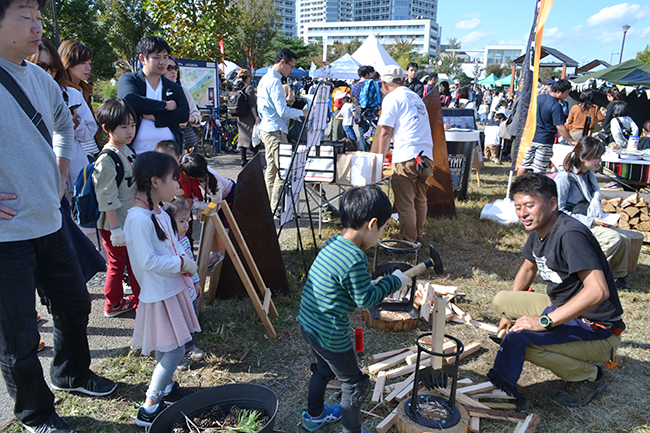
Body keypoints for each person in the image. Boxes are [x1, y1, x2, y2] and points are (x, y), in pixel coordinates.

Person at [0, 1, 116, 431]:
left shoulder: (40, 80)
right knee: (18, 339)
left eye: (36, 15)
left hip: (50, 220)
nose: (35, 26)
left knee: (74, 305)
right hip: (6, 235)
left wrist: (62, 168)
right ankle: (34, 413)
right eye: (24, 15)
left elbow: (63, 127)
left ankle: (71, 374)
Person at [489, 173, 624, 407]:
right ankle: (550, 330)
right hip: (563, 309)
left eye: (529, 205)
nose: (522, 213)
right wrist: (507, 315)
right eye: (518, 206)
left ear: (552, 204)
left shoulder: (570, 234)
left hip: (597, 327)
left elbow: (598, 291)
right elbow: (528, 271)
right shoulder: (539, 230)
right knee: (503, 300)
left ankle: (590, 376)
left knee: (525, 340)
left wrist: (543, 322)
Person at [298, 186, 410, 433]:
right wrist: (394, 282)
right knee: (354, 383)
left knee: (323, 369)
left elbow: (340, 283)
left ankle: (314, 416)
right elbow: (365, 299)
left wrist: (368, 283)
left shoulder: (334, 243)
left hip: (308, 323)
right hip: (329, 332)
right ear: (371, 224)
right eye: (382, 229)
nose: (380, 235)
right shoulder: (356, 257)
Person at [124, 151, 200, 427]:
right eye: (174, 179)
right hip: (160, 293)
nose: (178, 185)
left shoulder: (159, 212)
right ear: (155, 182)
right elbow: (147, 260)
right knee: (176, 350)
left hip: (171, 288)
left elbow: (168, 246)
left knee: (169, 344)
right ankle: (149, 406)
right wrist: (183, 263)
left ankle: (166, 388)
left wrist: (185, 270)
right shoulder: (139, 218)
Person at [554, 136, 632, 291]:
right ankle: (587, 273)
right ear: (583, 158)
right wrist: (591, 221)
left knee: (625, 239)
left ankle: (617, 276)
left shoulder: (588, 176)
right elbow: (559, 211)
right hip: (573, 224)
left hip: (590, 219)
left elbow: (591, 202)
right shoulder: (565, 178)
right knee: (613, 239)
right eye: (597, 157)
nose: (600, 161)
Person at [372, 65, 434, 243]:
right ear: (404, 80)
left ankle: (408, 241)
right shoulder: (416, 97)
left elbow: (385, 133)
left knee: (405, 202)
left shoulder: (392, 98)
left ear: (384, 83)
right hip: (426, 156)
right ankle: (418, 235)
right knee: (420, 199)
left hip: (406, 155)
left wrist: (379, 160)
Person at [93, 98, 141, 317]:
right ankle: (113, 303)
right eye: (124, 127)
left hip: (128, 220)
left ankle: (138, 299)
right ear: (107, 129)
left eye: (132, 125)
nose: (130, 131)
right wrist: (115, 230)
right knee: (117, 264)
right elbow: (107, 197)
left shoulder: (126, 149)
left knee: (133, 262)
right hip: (116, 224)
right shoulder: (107, 158)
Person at [26, 39, 92, 189]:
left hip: (74, 175)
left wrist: (73, 123)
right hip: (34, 181)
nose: (48, 73)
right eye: (42, 66)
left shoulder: (72, 94)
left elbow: (89, 134)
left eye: (53, 68)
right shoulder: (13, 97)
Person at [117, 35, 189, 155]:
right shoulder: (130, 79)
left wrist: (156, 118)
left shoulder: (173, 87)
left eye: (165, 57)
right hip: (136, 155)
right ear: (142, 59)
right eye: (156, 57)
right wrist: (165, 106)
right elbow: (130, 100)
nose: (162, 62)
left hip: (169, 157)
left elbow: (183, 114)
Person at [256, 48, 307, 212]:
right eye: (291, 66)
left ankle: (268, 208)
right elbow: (282, 111)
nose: (291, 71)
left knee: (272, 171)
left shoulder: (265, 78)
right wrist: (302, 112)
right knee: (282, 171)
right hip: (275, 130)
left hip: (268, 128)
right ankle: (274, 208)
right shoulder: (274, 81)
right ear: (282, 62)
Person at [162, 198, 205, 371]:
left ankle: (190, 348)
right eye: (181, 221)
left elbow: (191, 265)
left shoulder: (185, 241)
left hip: (190, 293)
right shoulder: (164, 246)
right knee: (176, 325)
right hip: (175, 294)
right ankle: (178, 357)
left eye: (187, 220)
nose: (186, 225)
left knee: (190, 320)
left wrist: (197, 282)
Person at [179, 152, 236, 265]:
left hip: (229, 198)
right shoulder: (201, 173)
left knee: (219, 230)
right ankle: (215, 253)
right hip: (216, 199)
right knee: (209, 229)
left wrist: (196, 204)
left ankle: (224, 257)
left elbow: (216, 205)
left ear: (192, 175)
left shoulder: (214, 183)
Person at [517, 80, 577, 176]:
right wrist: (571, 140)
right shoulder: (556, 106)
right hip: (545, 140)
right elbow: (560, 126)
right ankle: (535, 189)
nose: (567, 96)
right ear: (558, 92)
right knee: (539, 169)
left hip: (531, 137)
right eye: (566, 93)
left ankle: (518, 184)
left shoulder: (539, 98)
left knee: (524, 164)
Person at [58, 39, 100, 157]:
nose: (88, 68)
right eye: (83, 63)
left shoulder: (84, 89)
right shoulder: (62, 92)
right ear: (68, 64)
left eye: (89, 63)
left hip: (93, 152)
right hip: (75, 156)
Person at [163, 57, 201, 153]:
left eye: (176, 68)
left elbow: (197, 116)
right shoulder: (154, 90)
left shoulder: (182, 91)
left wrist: (185, 118)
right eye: (169, 68)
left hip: (179, 146)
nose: (173, 71)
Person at [233, 69, 260, 167]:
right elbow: (252, 105)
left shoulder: (236, 88)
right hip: (249, 117)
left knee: (242, 138)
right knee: (253, 137)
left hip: (240, 117)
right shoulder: (249, 88)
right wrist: (256, 117)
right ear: (247, 77)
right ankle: (255, 161)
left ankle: (243, 160)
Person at [350, 65, 378, 151]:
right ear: (367, 74)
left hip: (359, 112)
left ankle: (362, 152)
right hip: (371, 112)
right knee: (373, 133)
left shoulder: (354, 86)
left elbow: (353, 98)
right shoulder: (372, 84)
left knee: (362, 134)